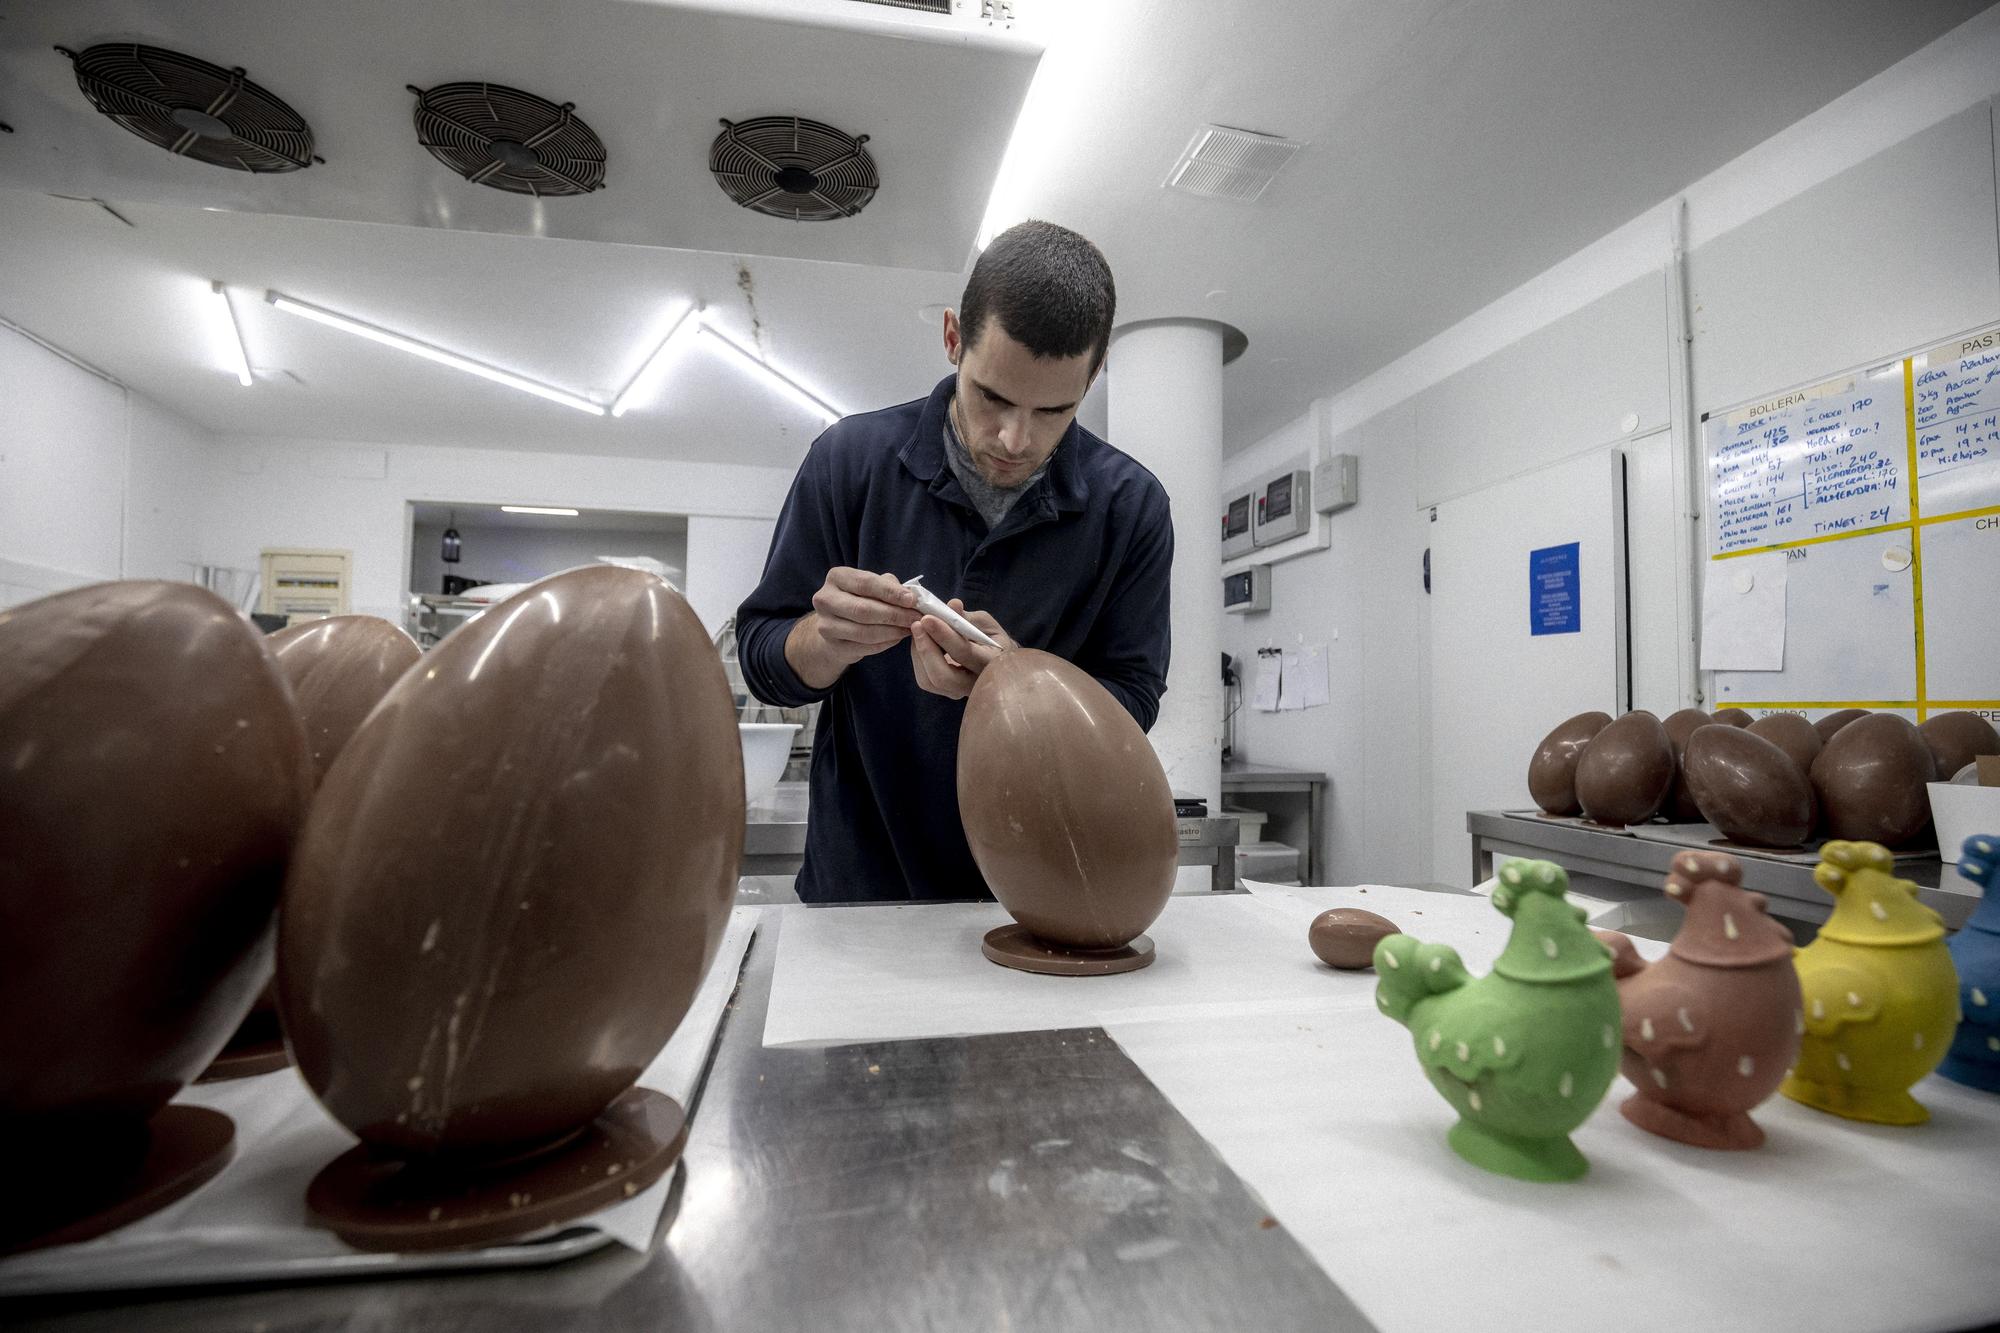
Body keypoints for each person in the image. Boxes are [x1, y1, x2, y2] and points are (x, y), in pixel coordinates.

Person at [736, 220, 1173, 903]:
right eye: (992, 396)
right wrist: (824, 641)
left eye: (1054, 410)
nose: (1014, 438)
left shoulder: (1134, 508)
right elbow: (765, 660)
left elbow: (1134, 701)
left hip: (1035, 899)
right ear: (951, 338)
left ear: (1096, 373)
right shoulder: (849, 461)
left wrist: (1019, 685)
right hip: (857, 896)